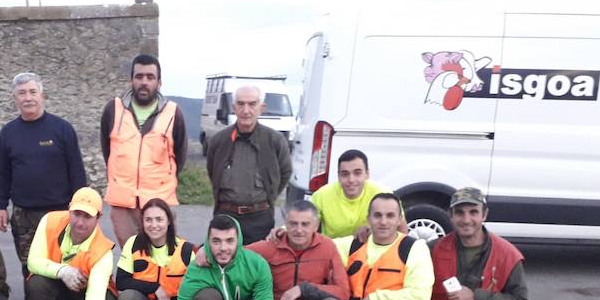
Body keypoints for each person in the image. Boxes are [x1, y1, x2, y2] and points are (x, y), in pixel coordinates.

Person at [0, 72, 87, 300]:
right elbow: (1, 173)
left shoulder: (62, 129)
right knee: (31, 269)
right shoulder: (8, 133)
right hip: (24, 216)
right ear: (14, 98)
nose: (28, 98)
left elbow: (76, 171)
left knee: (68, 264)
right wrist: (0, 206)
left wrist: (82, 207)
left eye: (32, 92)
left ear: (42, 95)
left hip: (61, 214)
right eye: (22, 93)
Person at [101, 54, 187, 246]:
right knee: (131, 259)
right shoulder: (113, 110)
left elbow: (179, 156)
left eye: (150, 77)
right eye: (139, 77)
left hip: (159, 204)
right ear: (131, 80)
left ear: (159, 82)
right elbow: (108, 152)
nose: (144, 82)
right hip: (123, 204)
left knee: (162, 259)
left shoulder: (173, 113)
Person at [335, 193, 434, 300]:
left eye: (390, 216)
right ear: (368, 218)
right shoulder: (351, 244)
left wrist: (373, 299)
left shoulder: (415, 248)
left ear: (399, 219)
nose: (383, 222)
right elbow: (311, 239)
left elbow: (420, 296)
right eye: (377, 216)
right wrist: (283, 231)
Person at [25, 187, 117, 300]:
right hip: (59, 286)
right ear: (69, 209)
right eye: (76, 214)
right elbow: (33, 262)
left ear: (98, 218)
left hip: (86, 296)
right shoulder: (49, 221)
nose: (80, 222)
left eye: (88, 216)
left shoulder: (103, 251)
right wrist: (63, 271)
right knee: (36, 284)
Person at [165, 214, 274, 300]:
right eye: (216, 241)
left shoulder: (257, 265)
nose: (223, 248)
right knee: (207, 296)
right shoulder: (196, 268)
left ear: (238, 241)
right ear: (207, 242)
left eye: (229, 241)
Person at [246, 200, 350, 300]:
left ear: (316, 226)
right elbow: (234, 252)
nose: (299, 230)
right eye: (293, 224)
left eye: (305, 224)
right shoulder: (271, 246)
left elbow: (343, 292)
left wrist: (304, 289)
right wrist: (204, 249)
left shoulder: (327, 247)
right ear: (285, 224)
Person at [206, 85, 292, 243]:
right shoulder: (219, 141)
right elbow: (213, 171)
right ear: (233, 107)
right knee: (224, 264)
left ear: (262, 108)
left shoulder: (275, 141)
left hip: (260, 219)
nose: (246, 110)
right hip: (225, 216)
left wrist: (267, 196)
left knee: (256, 265)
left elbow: (285, 172)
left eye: (252, 104)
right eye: (240, 104)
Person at [309, 149, 399, 240]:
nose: (351, 180)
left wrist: (373, 228)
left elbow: (401, 228)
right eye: (345, 174)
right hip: (334, 250)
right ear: (338, 176)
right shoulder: (321, 196)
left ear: (367, 174)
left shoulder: (383, 193)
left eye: (357, 173)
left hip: (371, 250)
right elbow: (306, 229)